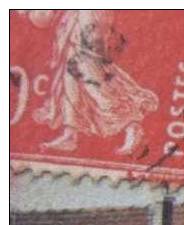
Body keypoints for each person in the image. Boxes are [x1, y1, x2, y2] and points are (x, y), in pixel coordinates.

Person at [27, 11, 159, 154]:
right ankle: (70, 134)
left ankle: (132, 127)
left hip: (88, 21)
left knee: (96, 84)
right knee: (70, 82)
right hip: (74, 23)